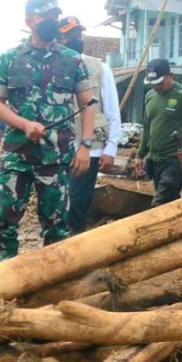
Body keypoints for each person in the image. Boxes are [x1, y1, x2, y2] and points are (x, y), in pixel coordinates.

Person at [0, 0, 96, 262]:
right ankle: (0, 281)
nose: (51, 21)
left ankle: (53, 282)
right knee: (4, 221)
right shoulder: (9, 60)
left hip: (56, 158)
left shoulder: (72, 60)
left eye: (54, 16)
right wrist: (25, 125)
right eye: (44, 16)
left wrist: (86, 145)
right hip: (17, 154)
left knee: (57, 225)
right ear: (29, 21)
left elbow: (88, 104)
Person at [58, 16, 122, 233]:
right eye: (68, 35)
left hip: (91, 149)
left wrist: (111, 147)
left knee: (77, 203)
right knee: (56, 202)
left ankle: (74, 248)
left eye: (77, 34)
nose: (75, 39)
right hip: (58, 147)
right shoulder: (51, 66)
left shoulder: (99, 67)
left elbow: (111, 109)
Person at [134, 58, 182, 206]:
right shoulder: (150, 96)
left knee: (159, 203)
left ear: (171, 75)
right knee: (169, 203)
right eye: (153, 83)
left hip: (175, 161)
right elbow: (147, 127)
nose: (156, 86)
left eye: (160, 82)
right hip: (155, 159)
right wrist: (140, 154)